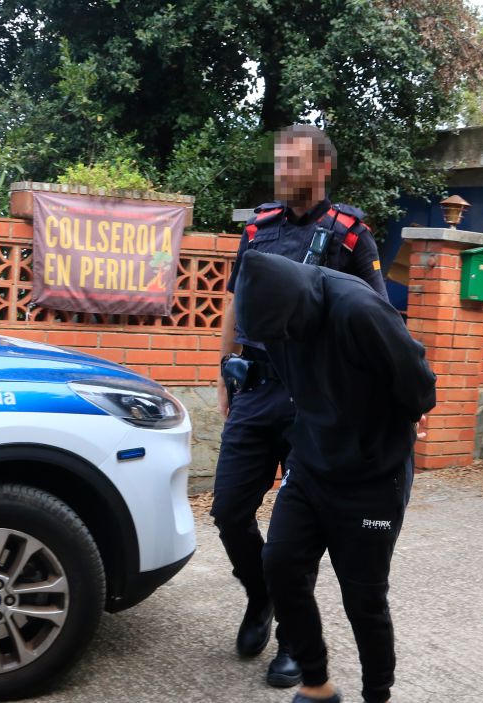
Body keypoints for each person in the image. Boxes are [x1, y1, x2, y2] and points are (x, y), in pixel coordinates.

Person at [211, 124, 388, 687]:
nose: (282, 171)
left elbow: (377, 321)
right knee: (228, 511)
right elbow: (236, 302)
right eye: (279, 161)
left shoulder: (351, 236)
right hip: (256, 390)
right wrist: (224, 370)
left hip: (314, 401)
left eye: (294, 162)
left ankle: (293, 638)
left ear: (322, 168)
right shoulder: (259, 228)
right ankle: (261, 595)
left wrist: (382, 399)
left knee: (297, 531)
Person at [235, 249, 436, 703]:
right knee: (280, 565)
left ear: (298, 308)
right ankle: (317, 684)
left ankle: (376, 695)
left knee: (364, 598)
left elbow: (417, 380)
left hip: (373, 475)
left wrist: (400, 418)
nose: (281, 342)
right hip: (311, 463)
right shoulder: (275, 320)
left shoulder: (358, 308)